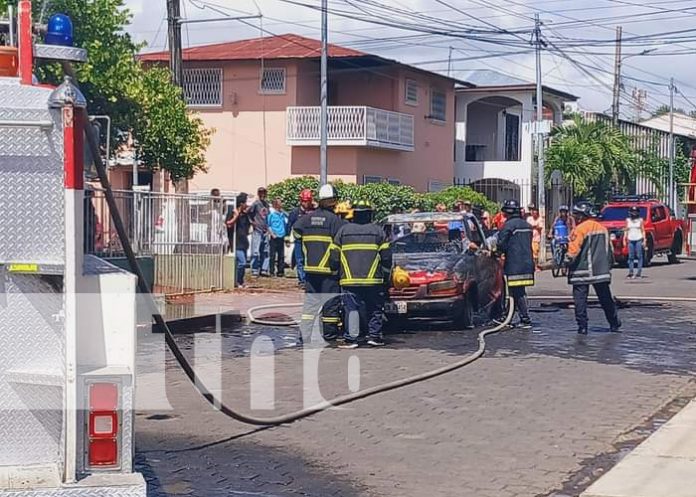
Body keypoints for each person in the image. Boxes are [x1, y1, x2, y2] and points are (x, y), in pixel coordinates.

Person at [333, 200, 392, 348]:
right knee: (374, 309)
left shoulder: (343, 231)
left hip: (349, 279)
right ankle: (374, 336)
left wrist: (335, 271)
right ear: (369, 214)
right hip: (373, 280)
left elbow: (333, 255)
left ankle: (352, 339)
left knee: (351, 310)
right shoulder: (378, 231)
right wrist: (386, 275)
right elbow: (386, 257)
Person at [292, 184, 345, 344]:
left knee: (309, 307)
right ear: (334, 201)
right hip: (329, 271)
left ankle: (304, 335)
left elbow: (295, 232)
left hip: (310, 271)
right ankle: (329, 336)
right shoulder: (336, 222)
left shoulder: (305, 219)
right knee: (330, 306)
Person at [566, 201, 621, 335]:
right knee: (605, 298)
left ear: (580, 216)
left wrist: (565, 261)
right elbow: (610, 251)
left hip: (581, 271)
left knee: (580, 301)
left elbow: (573, 252)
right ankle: (614, 323)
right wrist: (608, 266)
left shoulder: (579, 230)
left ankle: (582, 326)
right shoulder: (602, 229)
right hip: (600, 271)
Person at [497, 199, 534, 329]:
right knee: (517, 291)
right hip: (527, 263)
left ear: (506, 212)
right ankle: (508, 316)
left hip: (514, 264)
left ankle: (525, 319)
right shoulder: (527, 226)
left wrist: (496, 252)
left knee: (517, 292)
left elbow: (501, 244)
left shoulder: (508, 226)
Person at [288, 189, 314, 287]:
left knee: (309, 260)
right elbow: (289, 224)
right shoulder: (295, 212)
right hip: (299, 240)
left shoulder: (314, 212)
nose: (305, 203)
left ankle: (309, 279)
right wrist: (287, 236)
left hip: (310, 241)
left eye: (307, 201)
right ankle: (302, 280)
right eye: (303, 201)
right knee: (300, 260)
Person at [226, 193, 250, 288]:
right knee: (242, 262)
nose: (246, 205)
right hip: (236, 242)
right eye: (245, 203)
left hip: (244, 242)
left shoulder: (245, 215)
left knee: (240, 264)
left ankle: (240, 281)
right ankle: (237, 281)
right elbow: (228, 224)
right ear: (241, 203)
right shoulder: (232, 212)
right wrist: (236, 216)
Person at [248, 187, 270, 277]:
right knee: (255, 251)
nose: (262, 195)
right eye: (261, 193)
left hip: (265, 230)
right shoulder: (256, 204)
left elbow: (267, 216)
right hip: (257, 230)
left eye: (264, 193)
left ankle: (264, 269)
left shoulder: (266, 205)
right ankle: (254, 269)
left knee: (265, 251)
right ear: (258, 193)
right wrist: (252, 222)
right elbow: (248, 213)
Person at [267, 198, 288, 277]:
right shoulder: (271, 215)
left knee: (281, 255)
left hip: (281, 236)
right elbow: (268, 226)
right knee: (272, 255)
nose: (281, 204)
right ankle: (271, 271)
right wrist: (272, 234)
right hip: (274, 237)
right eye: (280, 203)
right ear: (276, 205)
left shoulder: (282, 214)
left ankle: (280, 271)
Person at [624, 205, 646, 279]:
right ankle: (631, 272)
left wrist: (644, 240)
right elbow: (626, 230)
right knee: (631, 257)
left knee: (639, 256)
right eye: (632, 212)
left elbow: (643, 230)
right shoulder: (628, 220)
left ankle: (639, 273)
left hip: (638, 239)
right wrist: (625, 238)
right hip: (630, 239)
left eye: (635, 212)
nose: (634, 213)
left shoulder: (640, 220)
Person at [526, 203, 544, 270]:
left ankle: (536, 266)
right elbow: (527, 226)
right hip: (529, 238)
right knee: (529, 253)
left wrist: (534, 226)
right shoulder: (529, 219)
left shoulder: (540, 219)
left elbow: (540, 227)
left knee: (535, 253)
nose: (534, 215)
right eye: (533, 213)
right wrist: (534, 226)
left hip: (536, 238)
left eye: (535, 213)